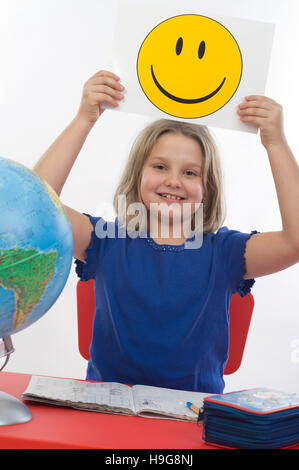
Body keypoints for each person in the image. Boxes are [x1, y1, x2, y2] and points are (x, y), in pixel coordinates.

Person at [34, 70, 299, 393]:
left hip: (191, 419)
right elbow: (36, 208)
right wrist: (83, 120)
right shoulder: (104, 241)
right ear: (138, 175)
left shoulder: (226, 252)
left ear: (208, 189)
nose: (173, 181)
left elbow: (294, 242)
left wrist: (275, 143)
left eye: (190, 172)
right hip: (105, 414)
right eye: (160, 166)